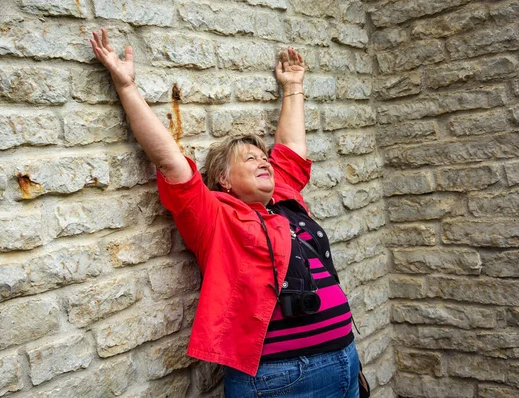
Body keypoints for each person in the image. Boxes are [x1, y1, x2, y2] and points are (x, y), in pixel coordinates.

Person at [89, 29, 360, 398]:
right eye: (249, 159)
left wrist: (293, 86)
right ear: (223, 179)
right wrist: (126, 86)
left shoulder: (285, 197)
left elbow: (291, 148)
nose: (264, 161)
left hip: (345, 359)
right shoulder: (214, 216)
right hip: (283, 379)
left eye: (265, 159)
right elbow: (168, 158)